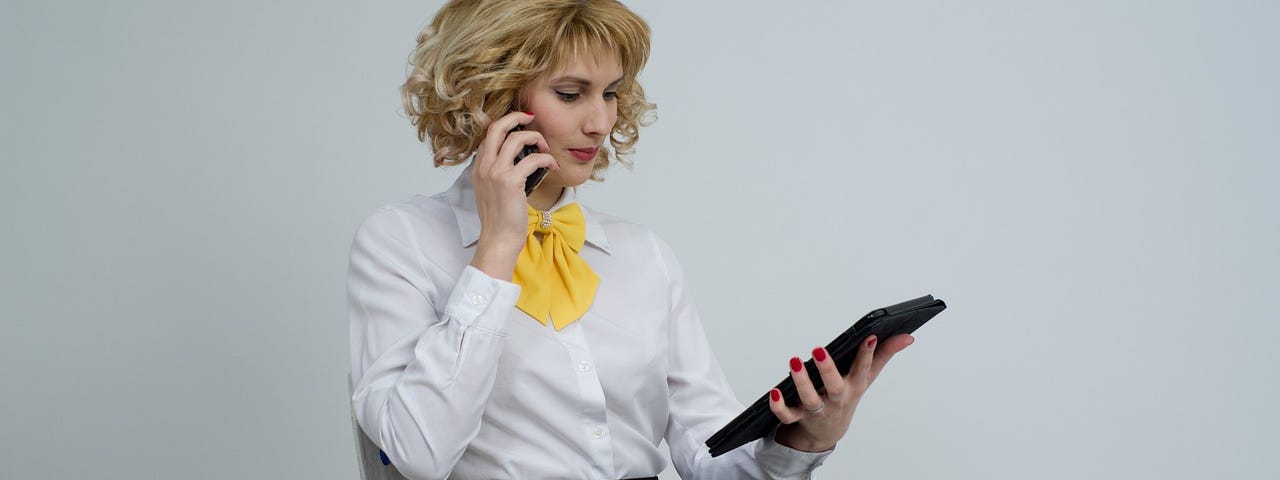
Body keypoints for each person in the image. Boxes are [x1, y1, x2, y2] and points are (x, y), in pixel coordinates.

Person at [347, 1, 914, 478]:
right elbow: (416, 451)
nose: (600, 122)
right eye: (571, 94)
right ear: (493, 97)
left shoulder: (645, 256)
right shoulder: (400, 241)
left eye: (611, 93)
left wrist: (802, 442)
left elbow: (710, 457)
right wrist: (496, 249)